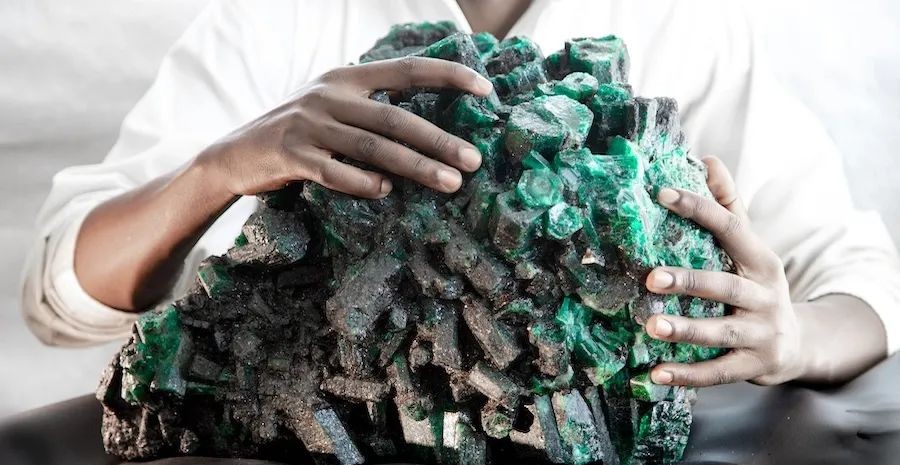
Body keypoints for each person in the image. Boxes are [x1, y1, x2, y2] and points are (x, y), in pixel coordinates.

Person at [20, 0, 900, 388]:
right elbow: (64, 294)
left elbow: (865, 282)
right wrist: (219, 170)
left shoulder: (685, 18)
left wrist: (794, 337)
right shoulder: (277, 15)